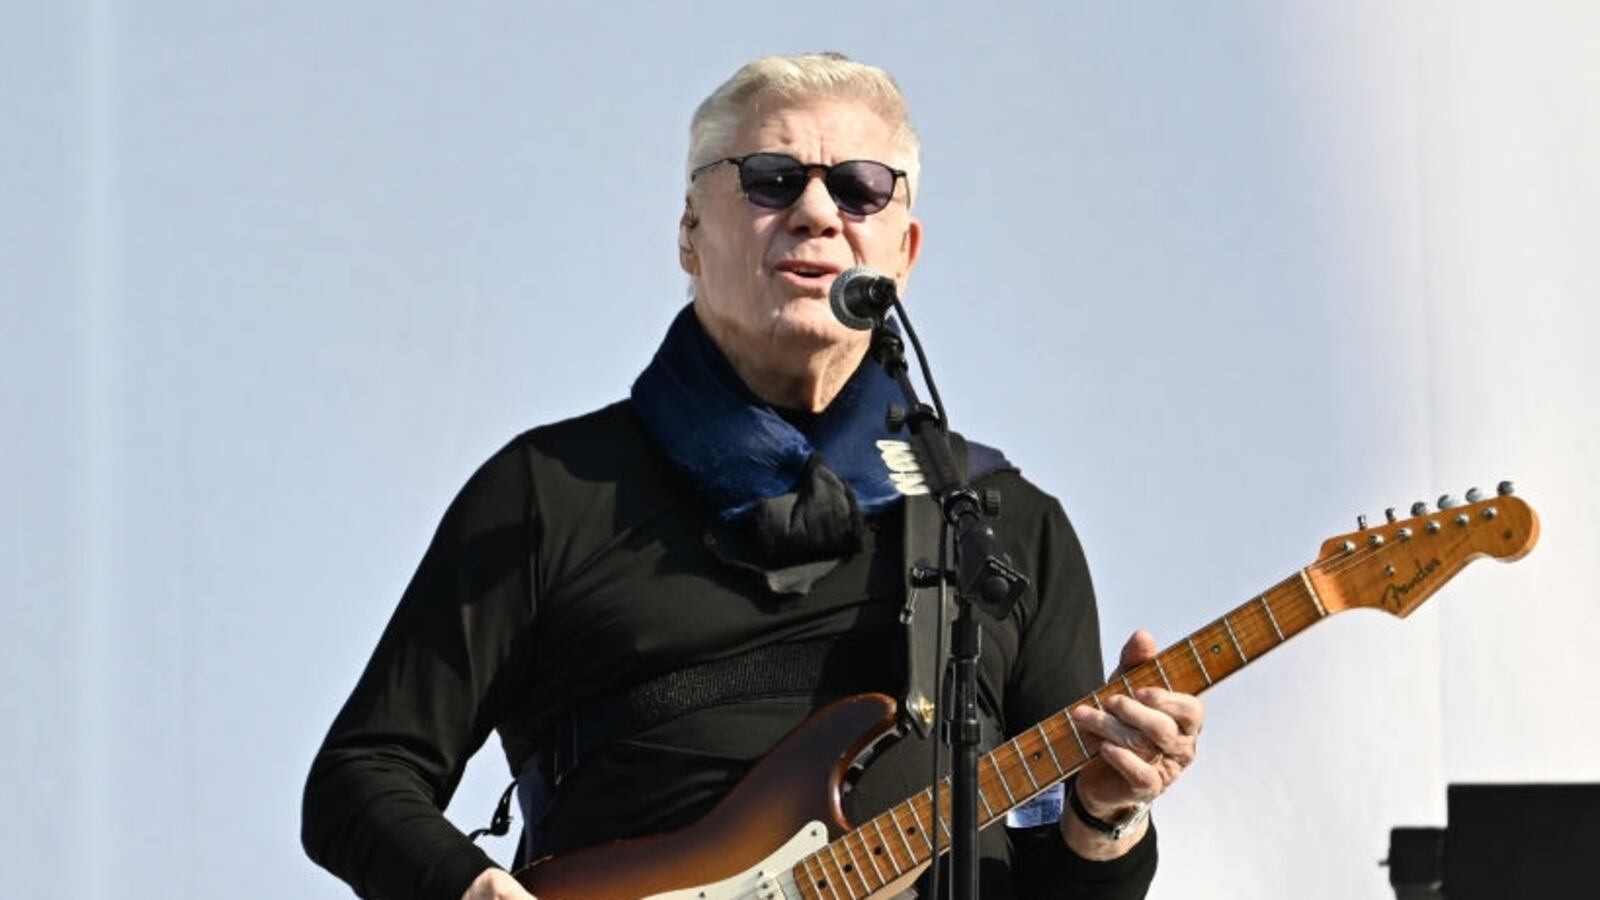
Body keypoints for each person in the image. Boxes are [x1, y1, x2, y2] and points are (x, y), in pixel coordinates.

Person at [302, 53, 1204, 900]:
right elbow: (360, 777)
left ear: (903, 253)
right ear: (690, 232)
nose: (817, 213)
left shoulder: (1000, 524)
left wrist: (1105, 816)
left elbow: (1070, 879)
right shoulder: (548, 491)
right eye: (772, 179)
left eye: (859, 189)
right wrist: (469, 890)